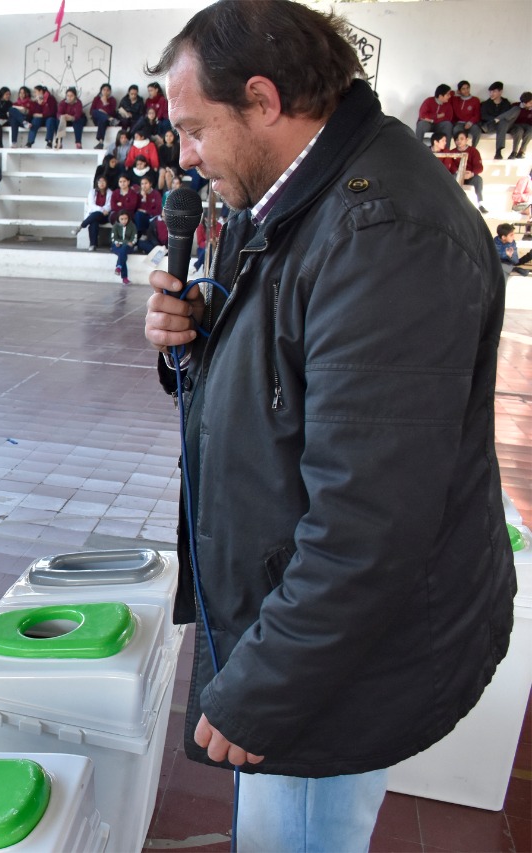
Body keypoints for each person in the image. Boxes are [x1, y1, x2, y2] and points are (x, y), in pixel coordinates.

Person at [141, 3, 514, 851]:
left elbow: (368, 524)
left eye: (195, 129)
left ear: (265, 101)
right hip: (304, 631)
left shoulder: (386, 239)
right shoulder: (287, 195)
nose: (185, 156)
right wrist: (195, 340)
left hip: (331, 665)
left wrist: (263, 688)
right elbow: (287, 375)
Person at [480, 82, 519, 160]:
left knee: (516, 109)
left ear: (500, 92)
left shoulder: (506, 103)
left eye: (494, 91)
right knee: (503, 121)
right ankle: (498, 151)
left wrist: (498, 119)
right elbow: (484, 116)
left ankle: (498, 152)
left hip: (504, 126)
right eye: (490, 92)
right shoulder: (485, 104)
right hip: (490, 126)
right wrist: (495, 120)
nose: (491, 94)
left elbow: (509, 117)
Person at [450, 132, 488, 213]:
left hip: (470, 176)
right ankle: (455, 203)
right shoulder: (452, 152)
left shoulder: (473, 151)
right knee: (452, 178)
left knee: (478, 179)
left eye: (461, 139)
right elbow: (451, 167)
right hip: (458, 175)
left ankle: (481, 204)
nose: (459, 141)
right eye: (457, 139)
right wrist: (460, 173)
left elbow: (479, 167)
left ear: (466, 140)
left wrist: (471, 173)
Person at [75, 175, 111, 250]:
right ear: (97, 183)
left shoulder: (110, 192)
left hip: (105, 216)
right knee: (94, 221)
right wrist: (101, 210)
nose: (101, 183)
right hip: (95, 214)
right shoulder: (92, 192)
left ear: (106, 183)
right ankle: (93, 245)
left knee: (96, 215)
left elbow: (109, 205)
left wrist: (103, 211)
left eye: (103, 181)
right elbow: (92, 205)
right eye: (99, 182)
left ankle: (81, 226)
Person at [109, 211, 137, 284]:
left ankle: (119, 267)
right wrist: (125, 242)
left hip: (128, 247)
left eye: (126, 219)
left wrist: (125, 243)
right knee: (123, 254)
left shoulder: (132, 226)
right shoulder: (115, 226)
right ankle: (124, 277)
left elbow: (134, 238)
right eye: (122, 219)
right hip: (116, 246)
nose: (124, 221)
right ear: (118, 219)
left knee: (123, 250)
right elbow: (113, 239)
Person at [451, 80, 481, 146]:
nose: (466, 90)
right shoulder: (455, 99)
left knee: (477, 131)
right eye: (463, 89)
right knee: (456, 131)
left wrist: (470, 123)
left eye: (467, 88)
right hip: (459, 124)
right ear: (459, 90)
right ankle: (459, 149)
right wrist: (455, 92)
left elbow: (477, 115)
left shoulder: (475, 100)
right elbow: (448, 94)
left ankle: (473, 149)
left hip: (471, 123)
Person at [91, 83, 118, 148]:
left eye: (108, 90)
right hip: (97, 119)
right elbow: (91, 111)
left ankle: (101, 142)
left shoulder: (112, 100)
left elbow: (112, 112)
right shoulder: (96, 99)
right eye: (104, 90)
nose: (106, 91)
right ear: (101, 91)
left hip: (107, 121)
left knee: (102, 119)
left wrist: (105, 103)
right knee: (95, 112)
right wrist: (101, 112)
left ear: (110, 91)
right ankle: (110, 119)